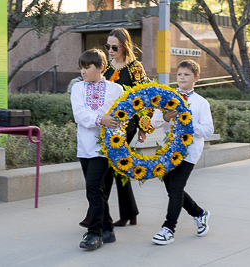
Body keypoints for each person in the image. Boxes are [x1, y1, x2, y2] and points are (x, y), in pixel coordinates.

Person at [79, 28, 149, 228]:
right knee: (115, 170)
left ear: (124, 46)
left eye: (114, 47)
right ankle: (124, 213)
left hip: (126, 126)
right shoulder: (106, 67)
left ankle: (98, 215)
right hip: (106, 123)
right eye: (107, 46)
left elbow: (142, 98)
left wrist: (144, 127)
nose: (110, 50)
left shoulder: (135, 68)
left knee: (112, 169)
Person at [150, 59, 214, 245]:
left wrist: (189, 126)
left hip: (189, 151)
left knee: (176, 188)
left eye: (186, 75)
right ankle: (199, 213)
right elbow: (154, 123)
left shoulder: (201, 103)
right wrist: (165, 116)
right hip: (168, 150)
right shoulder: (166, 98)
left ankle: (168, 229)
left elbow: (207, 130)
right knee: (171, 187)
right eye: (179, 74)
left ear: (196, 78)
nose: (182, 78)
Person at [71, 49, 123, 250]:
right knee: (98, 190)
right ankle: (108, 229)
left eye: (87, 67)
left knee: (93, 188)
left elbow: (122, 116)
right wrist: (101, 119)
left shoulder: (115, 89)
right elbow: (79, 115)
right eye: (81, 68)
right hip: (85, 147)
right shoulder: (77, 88)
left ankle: (95, 233)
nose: (83, 72)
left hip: (106, 148)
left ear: (101, 67)